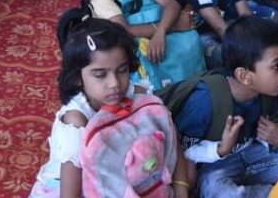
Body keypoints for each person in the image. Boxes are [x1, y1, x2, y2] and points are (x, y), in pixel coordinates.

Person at [29, 14, 183, 197]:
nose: (114, 84)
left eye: (122, 70)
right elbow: (71, 194)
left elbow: (171, 140)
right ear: (77, 77)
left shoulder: (138, 95)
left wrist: (182, 188)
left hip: (125, 176)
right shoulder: (76, 122)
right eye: (100, 75)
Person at [170, 16, 278, 197]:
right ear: (244, 76)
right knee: (219, 190)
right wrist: (220, 150)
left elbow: (268, 137)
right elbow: (179, 148)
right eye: (277, 65)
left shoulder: (267, 92)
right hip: (214, 166)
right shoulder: (204, 102)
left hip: (253, 154)